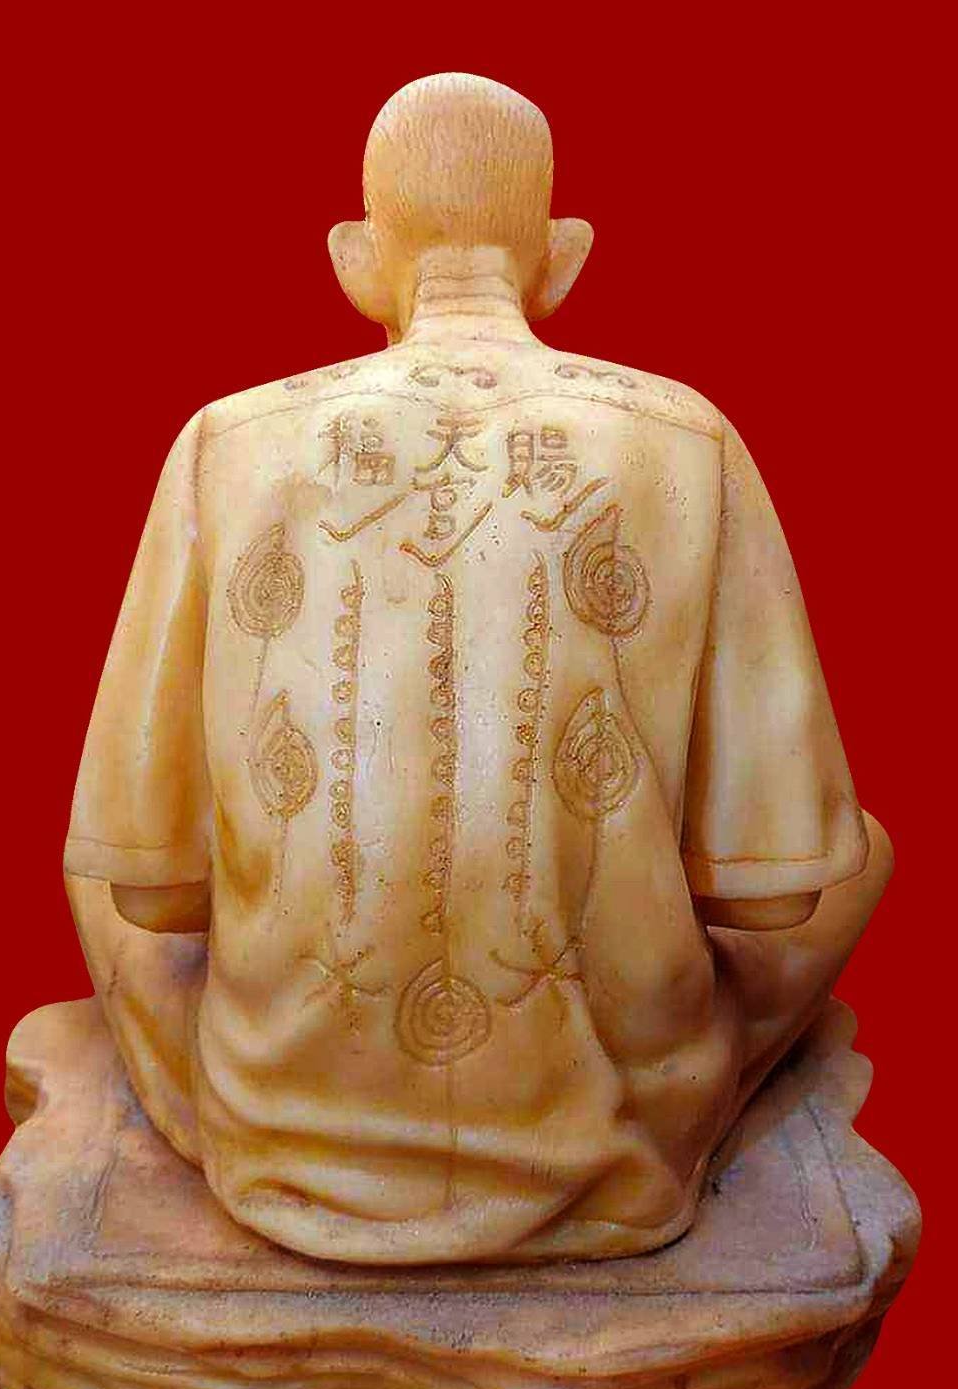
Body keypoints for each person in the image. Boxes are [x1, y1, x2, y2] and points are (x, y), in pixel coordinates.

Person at [64, 73, 890, 1264]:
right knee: (865, 848)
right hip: (608, 1142)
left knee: (98, 873)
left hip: (280, 1132)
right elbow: (771, 894)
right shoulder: (686, 435)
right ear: (563, 257)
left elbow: (152, 891)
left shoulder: (222, 441)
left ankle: (308, 1112)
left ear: (357, 261)